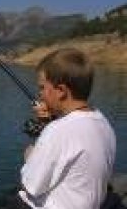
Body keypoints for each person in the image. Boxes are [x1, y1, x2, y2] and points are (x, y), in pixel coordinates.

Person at [14, 48, 116, 208]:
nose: (39, 94)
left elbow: (31, 186)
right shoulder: (102, 122)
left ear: (61, 91)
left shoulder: (57, 131)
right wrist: (46, 122)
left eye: (42, 87)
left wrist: (30, 156)